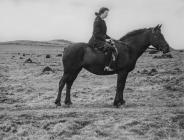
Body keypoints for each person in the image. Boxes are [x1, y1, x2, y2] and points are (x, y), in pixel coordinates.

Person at [88, 7, 116, 71]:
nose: (107, 15)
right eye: (106, 13)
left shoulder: (103, 21)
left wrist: (110, 38)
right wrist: (106, 40)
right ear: (102, 13)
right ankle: (106, 66)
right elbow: (96, 34)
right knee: (110, 48)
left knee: (113, 45)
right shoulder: (97, 20)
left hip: (100, 40)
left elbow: (103, 33)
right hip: (96, 41)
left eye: (107, 13)